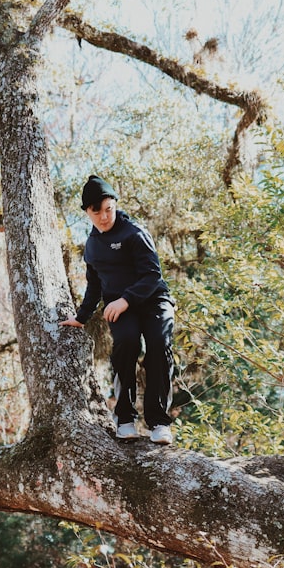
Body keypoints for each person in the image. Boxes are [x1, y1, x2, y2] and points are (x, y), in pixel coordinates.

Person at [60, 175, 176, 445]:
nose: (103, 216)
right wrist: (81, 317)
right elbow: (94, 284)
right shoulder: (91, 245)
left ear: (115, 205)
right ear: (87, 212)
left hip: (153, 300)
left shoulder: (134, 232)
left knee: (158, 344)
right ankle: (125, 418)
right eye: (96, 211)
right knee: (126, 344)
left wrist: (125, 299)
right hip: (122, 309)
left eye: (108, 209)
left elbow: (152, 275)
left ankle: (159, 422)